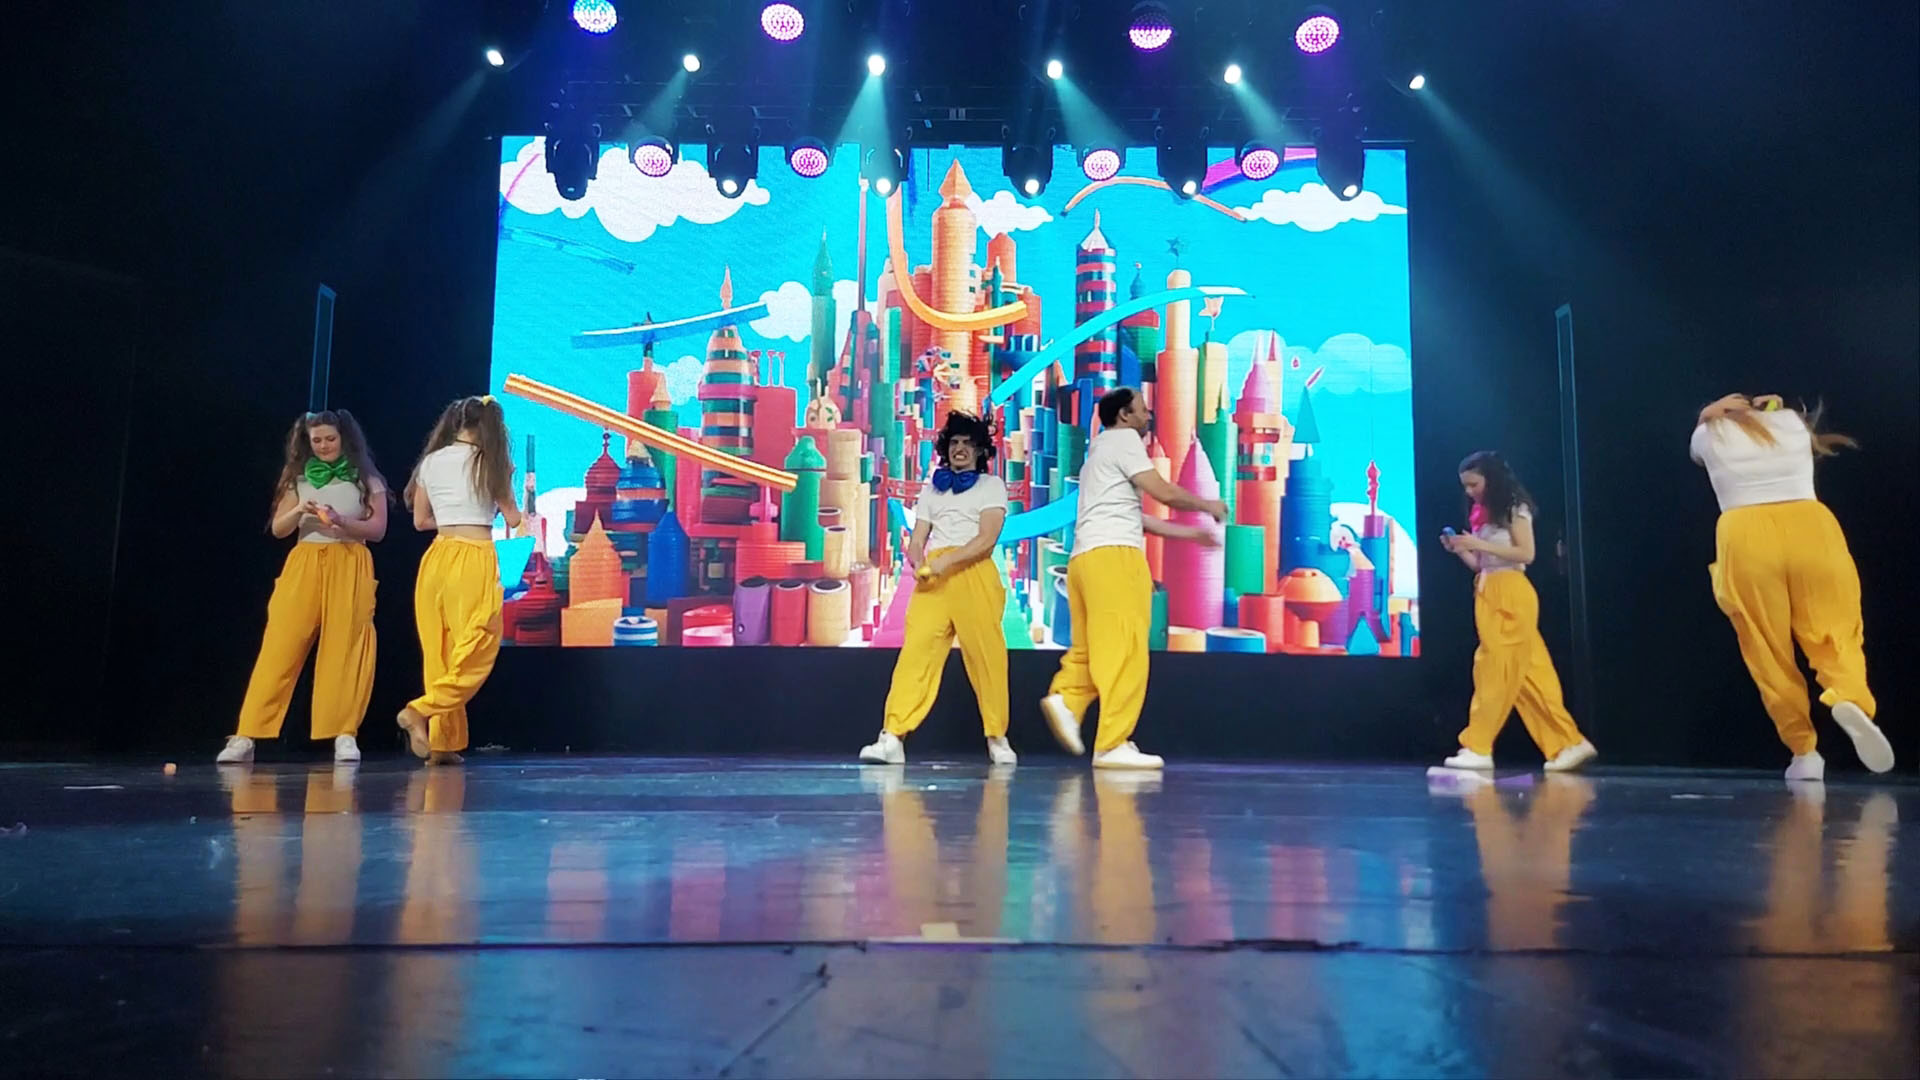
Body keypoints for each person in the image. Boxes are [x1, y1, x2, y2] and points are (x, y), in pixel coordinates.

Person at [1691, 393, 1893, 780]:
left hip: (1745, 533)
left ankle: (1804, 752)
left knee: (1767, 647)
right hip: (1811, 527)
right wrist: (1776, 408)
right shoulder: (1792, 425)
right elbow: (1785, 419)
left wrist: (1711, 413)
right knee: (1835, 628)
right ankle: (1850, 696)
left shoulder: (1709, 434)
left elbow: (1698, 448)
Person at [1040, 386, 1225, 769]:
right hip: (1115, 560)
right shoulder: (1124, 441)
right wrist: (1206, 504)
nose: (1148, 415)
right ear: (1124, 415)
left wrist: (1191, 534)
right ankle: (1112, 744)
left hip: (1085, 562)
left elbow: (1135, 518)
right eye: (1141, 409)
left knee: (1090, 649)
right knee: (1126, 652)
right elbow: (1162, 492)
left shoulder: (1096, 455)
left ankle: (1067, 700)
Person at [221, 410, 388, 764]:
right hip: (305, 561)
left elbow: (378, 530)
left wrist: (343, 522)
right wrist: (299, 510)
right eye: (317, 440)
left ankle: (344, 733)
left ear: (344, 439)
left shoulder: (366, 477)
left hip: (349, 560)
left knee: (346, 647)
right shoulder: (296, 477)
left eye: (330, 439)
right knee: (280, 645)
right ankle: (247, 734)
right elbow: (279, 529)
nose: (324, 446)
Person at [862, 412, 1013, 765]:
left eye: (967, 443)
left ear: (980, 450)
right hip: (934, 578)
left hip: (973, 571)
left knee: (987, 657)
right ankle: (892, 736)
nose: (960, 449)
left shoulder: (991, 486)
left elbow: (987, 539)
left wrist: (948, 562)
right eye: (954, 442)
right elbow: (917, 539)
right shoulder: (932, 490)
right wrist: (918, 560)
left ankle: (997, 738)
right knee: (916, 654)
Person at [1438, 451, 1596, 772]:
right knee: (1530, 675)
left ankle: (1478, 745)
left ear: (1491, 479)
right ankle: (1567, 743)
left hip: (1510, 593)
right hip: (1488, 589)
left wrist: (1479, 545)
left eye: (1474, 484)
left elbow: (1526, 553)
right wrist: (1461, 549)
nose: (1469, 491)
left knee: (1493, 669)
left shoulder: (1514, 508)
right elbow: (1481, 565)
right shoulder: (1483, 514)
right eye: (1465, 486)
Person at [397, 395, 521, 765]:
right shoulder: (491, 462)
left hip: (436, 558)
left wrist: (455, 514)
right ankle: (420, 710)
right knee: (477, 646)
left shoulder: (431, 461)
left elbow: (420, 521)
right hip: (474, 557)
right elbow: (513, 518)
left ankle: (443, 743)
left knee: (442, 651)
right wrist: (507, 481)